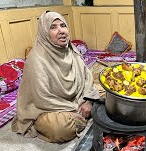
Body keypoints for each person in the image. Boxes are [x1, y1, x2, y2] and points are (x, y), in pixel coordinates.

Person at [12, 11, 100, 143]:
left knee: (110, 92)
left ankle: (82, 114)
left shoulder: (71, 50)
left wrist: (88, 101)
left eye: (63, 26)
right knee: (59, 129)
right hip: (47, 108)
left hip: (75, 100)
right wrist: (75, 108)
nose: (61, 31)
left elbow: (87, 79)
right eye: (53, 27)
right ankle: (80, 116)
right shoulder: (37, 59)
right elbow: (42, 99)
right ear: (44, 33)